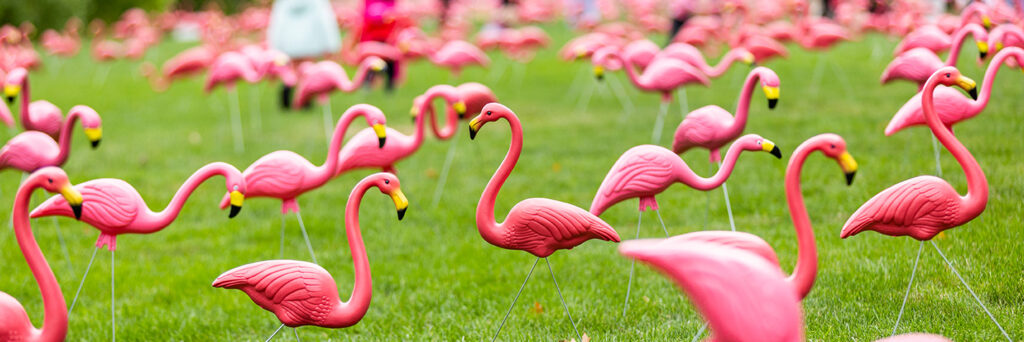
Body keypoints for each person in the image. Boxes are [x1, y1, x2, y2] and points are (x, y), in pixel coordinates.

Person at [267, 0, 340, 107]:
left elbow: (278, 22)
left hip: (289, 41)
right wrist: (330, 44)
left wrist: (276, 45)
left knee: (292, 71)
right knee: (308, 72)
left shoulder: (283, 3)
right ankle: (305, 101)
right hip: (310, 41)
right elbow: (324, 20)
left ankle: (288, 98)